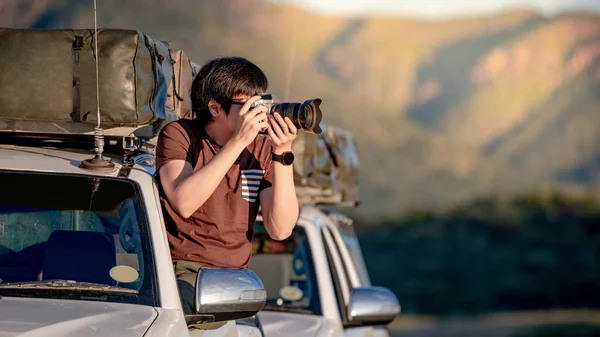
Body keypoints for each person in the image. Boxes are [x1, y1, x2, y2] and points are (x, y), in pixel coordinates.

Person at [155, 56, 300, 314]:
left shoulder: (262, 148)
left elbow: (280, 229)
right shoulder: (180, 135)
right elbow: (183, 202)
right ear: (215, 107)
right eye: (250, 105)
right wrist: (238, 142)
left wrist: (283, 153)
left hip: (233, 282)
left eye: (262, 103)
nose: (259, 113)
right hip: (184, 275)